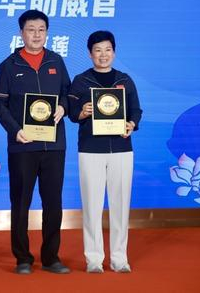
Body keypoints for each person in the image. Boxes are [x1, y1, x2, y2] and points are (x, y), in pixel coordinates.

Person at [0, 10, 71, 275]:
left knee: (53, 203)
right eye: (31, 30)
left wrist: (63, 106)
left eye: (41, 30)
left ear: (47, 32)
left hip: (54, 145)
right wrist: (15, 131)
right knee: (20, 203)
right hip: (23, 145)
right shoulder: (9, 65)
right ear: (21, 33)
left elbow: (68, 94)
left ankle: (51, 257)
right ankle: (22, 258)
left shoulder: (56, 61)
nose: (36, 35)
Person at [67, 30, 142, 274]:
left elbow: (136, 110)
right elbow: (71, 112)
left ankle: (120, 259)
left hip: (121, 149)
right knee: (92, 205)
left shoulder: (125, 80)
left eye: (107, 50)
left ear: (114, 52)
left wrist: (131, 124)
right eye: (98, 50)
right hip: (91, 150)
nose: (103, 55)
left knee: (121, 205)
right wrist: (83, 111)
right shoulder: (81, 80)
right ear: (90, 54)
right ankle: (93, 259)